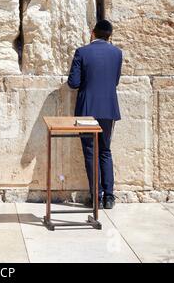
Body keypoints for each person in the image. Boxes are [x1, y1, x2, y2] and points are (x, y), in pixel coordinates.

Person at [67, 20, 122, 210]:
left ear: (93, 33)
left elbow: (73, 83)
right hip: (108, 109)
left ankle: (96, 196)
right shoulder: (117, 53)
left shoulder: (82, 52)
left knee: (91, 152)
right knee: (105, 150)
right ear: (110, 36)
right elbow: (114, 81)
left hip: (87, 111)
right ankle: (109, 197)